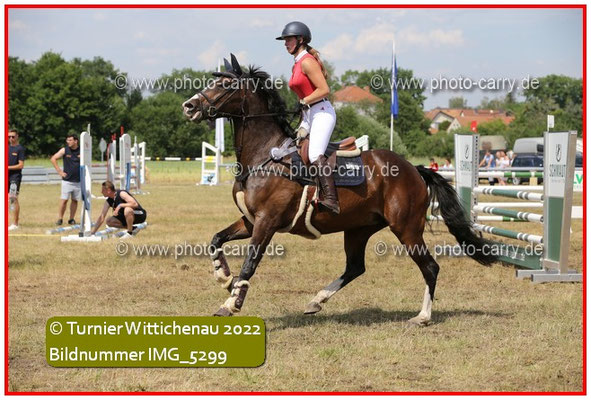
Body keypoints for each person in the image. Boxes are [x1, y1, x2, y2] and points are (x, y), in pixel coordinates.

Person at [276, 21, 339, 214]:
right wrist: (303, 117)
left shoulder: (307, 62)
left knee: (313, 154)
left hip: (322, 112)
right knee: (295, 148)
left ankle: (331, 199)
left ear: (300, 40)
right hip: (309, 114)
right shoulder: (296, 64)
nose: (285, 43)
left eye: (289, 39)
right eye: (285, 40)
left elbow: (324, 89)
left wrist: (304, 101)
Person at [51, 133, 81, 226]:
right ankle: (60, 219)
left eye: (70, 140)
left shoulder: (82, 150)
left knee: (75, 200)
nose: (68, 142)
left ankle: (71, 219)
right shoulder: (64, 150)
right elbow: (53, 158)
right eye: (67, 140)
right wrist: (59, 171)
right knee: (64, 200)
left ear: (76, 141)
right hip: (67, 181)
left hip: (78, 181)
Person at [8, 129, 25, 231]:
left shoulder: (20, 149)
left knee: (13, 198)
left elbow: (21, 165)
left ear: (17, 136)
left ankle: (15, 223)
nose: (11, 138)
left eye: (13, 136)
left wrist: (7, 167)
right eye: (9, 137)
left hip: (15, 177)